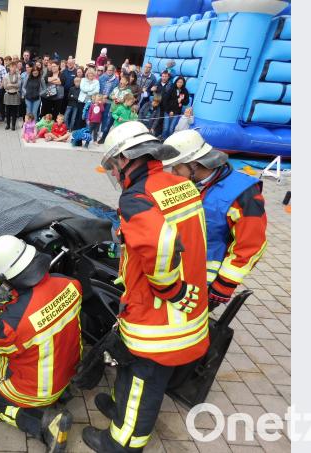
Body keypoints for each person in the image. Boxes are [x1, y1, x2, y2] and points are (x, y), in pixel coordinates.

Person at [82, 121, 208, 453]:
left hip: (160, 314)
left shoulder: (138, 196)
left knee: (143, 377)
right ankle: (123, 414)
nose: (112, 171)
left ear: (125, 158)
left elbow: (162, 247)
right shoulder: (179, 184)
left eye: (112, 164)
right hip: (188, 305)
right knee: (133, 369)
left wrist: (169, 289)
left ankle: (122, 442)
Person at [0, 234, 80, 453]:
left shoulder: (13, 324)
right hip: (68, 373)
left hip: (34, 391)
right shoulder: (71, 285)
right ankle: (61, 393)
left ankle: (44, 424)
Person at [162, 130, 267, 309]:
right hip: (172, 277)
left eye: (176, 167)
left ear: (194, 165)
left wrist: (223, 287)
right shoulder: (185, 183)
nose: (172, 173)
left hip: (204, 282)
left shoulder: (243, 194)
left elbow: (250, 245)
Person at [97, 64, 119, 143]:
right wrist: (100, 96)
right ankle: (96, 130)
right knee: (98, 115)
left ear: (113, 71)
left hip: (109, 100)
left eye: (111, 70)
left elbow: (115, 90)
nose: (109, 72)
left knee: (106, 116)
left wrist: (108, 95)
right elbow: (99, 87)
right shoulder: (102, 77)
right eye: (108, 70)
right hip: (101, 99)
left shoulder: (116, 80)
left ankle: (102, 131)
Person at [2, 63, 21, 130]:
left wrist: (10, 85)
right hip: (8, 94)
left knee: (14, 112)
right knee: (7, 111)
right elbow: (5, 86)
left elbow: (18, 85)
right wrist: (13, 85)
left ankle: (13, 125)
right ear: (9, 67)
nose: (13, 68)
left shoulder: (18, 75)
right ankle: (8, 124)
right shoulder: (6, 76)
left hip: (15, 94)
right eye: (11, 67)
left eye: (14, 67)